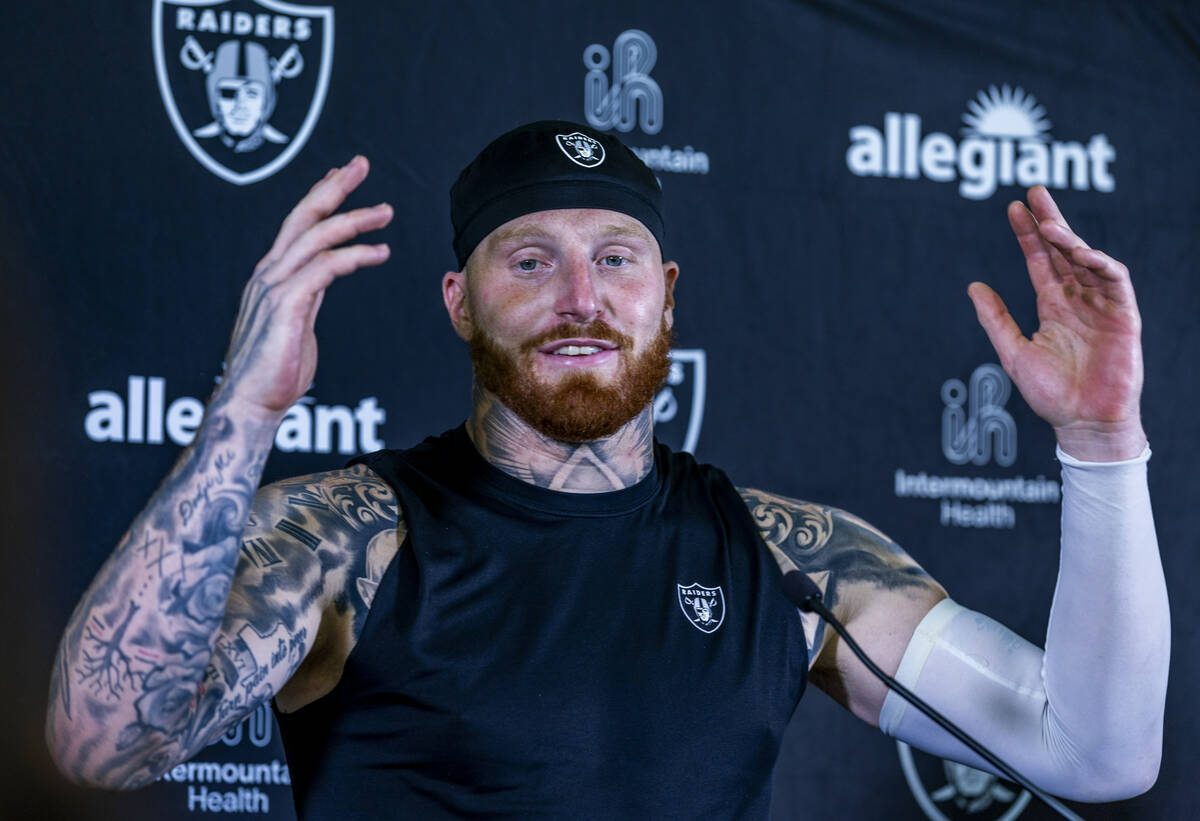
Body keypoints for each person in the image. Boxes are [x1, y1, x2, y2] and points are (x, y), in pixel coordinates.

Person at [46, 121, 1168, 819]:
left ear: (666, 294)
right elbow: (99, 745)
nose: (581, 297)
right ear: (460, 300)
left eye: (615, 258)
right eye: (531, 259)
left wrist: (1103, 443)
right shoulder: (351, 535)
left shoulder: (785, 557)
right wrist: (245, 410)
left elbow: (1095, 749)